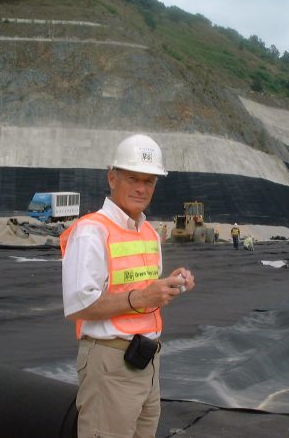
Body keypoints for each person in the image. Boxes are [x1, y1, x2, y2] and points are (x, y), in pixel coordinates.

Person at [60, 134, 195, 438]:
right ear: (112, 177)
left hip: (146, 362)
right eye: (133, 178)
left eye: (149, 181)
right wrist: (142, 296)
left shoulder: (148, 231)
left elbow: (143, 292)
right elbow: (79, 305)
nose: (141, 188)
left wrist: (171, 285)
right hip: (110, 363)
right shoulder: (90, 232)